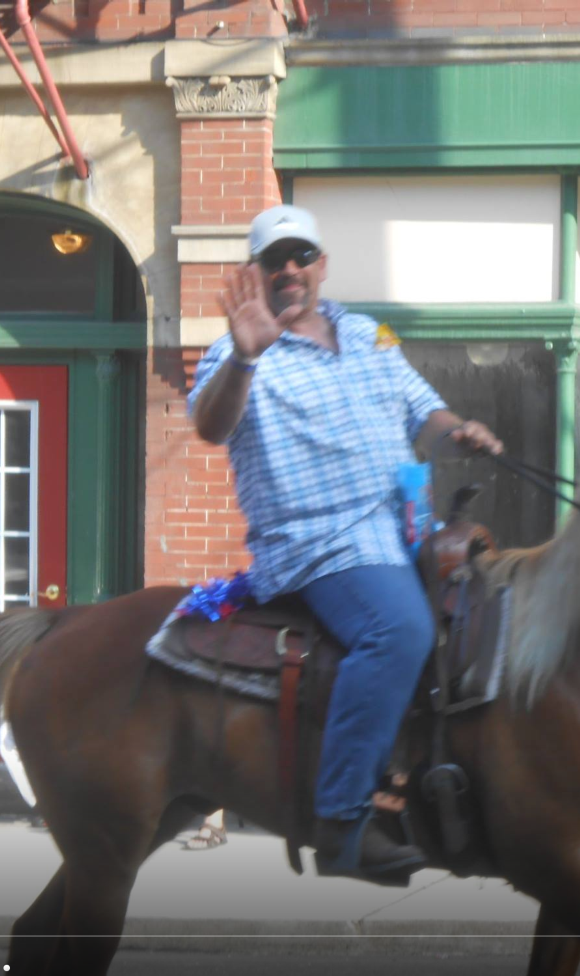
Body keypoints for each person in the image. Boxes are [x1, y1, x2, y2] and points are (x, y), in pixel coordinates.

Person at [188, 205, 503, 882]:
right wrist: (245, 357)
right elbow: (211, 427)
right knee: (397, 632)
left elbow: (423, 407)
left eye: (302, 256)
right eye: (275, 260)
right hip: (320, 545)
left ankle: (438, 788)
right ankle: (342, 824)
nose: (290, 270)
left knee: (484, 616)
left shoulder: (369, 333)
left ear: (322, 265)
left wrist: (459, 428)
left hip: (402, 531)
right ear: (258, 273)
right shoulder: (237, 352)